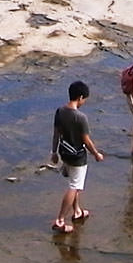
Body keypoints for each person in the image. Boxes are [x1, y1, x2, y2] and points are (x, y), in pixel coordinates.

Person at [50, 81, 104, 233]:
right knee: (74, 186)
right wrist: (96, 154)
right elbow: (86, 141)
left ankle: (77, 211)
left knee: (75, 182)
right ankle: (60, 220)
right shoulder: (81, 118)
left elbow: (56, 133)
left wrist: (53, 152)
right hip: (78, 157)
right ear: (80, 97)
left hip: (64, 152)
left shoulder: (60, 111)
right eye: (84, 99)